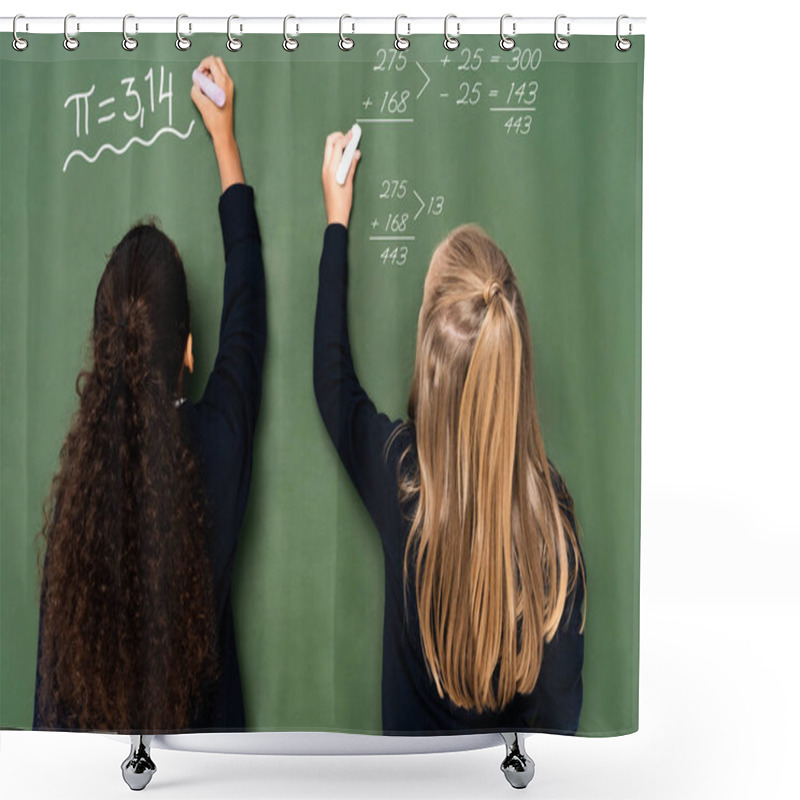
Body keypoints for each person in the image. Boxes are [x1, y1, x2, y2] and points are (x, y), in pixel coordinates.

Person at [313, 130, 586, 734]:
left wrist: (337, 222)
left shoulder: (403, 480)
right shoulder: (553, 528)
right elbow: (560, 727)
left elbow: (332, 385)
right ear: (514, 360)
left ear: (430, 361)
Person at [33, 56, 265, 733]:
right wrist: (225, 141)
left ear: (103, 349)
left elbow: (48, 712)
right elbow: (248, 310)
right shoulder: (216, 448)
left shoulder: (74, 511)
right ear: (189, 350)